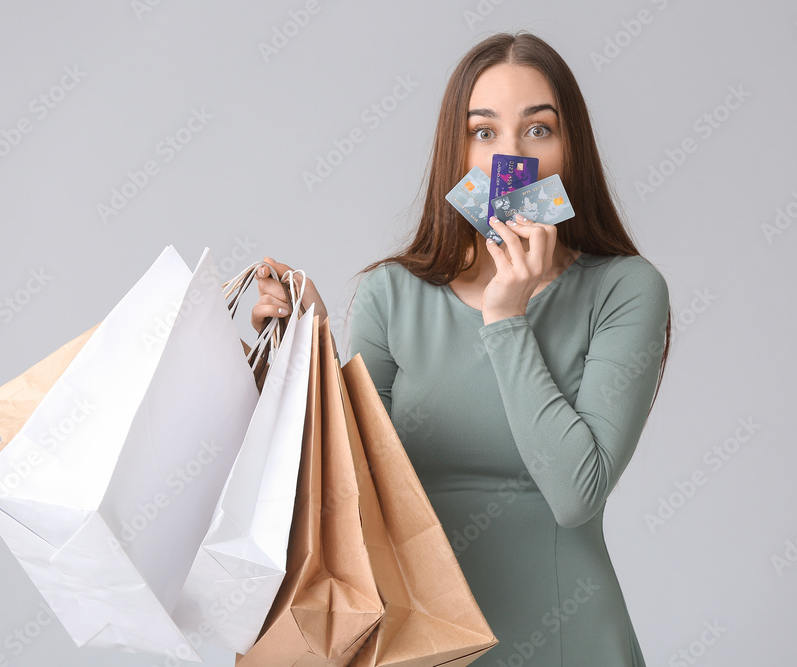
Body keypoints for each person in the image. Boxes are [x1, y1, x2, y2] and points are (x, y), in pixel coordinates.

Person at [251, 30, 672, 667]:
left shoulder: (625, 290)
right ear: (459, 154)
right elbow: (342, 496)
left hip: (568, 641)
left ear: (570, 150)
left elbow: (576, 494)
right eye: (484, 133)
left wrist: (507, 317)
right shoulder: (392, 294)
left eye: (537, 130)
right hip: (411, 645)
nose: (512, 161)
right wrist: (291, 360)